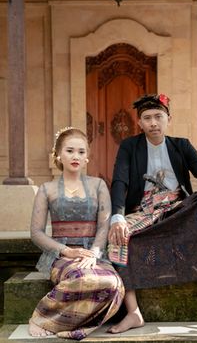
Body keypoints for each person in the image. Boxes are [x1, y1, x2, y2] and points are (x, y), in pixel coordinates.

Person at [108, 94, 197, 334]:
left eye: (158, 116)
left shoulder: (181, 145)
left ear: (168, 119)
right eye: (147, 118)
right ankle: (134, 313)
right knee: (116, 239)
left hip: (178, 209)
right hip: (145, 211)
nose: (153, 122)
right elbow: (119, 182)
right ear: (140, 123)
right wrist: (117, 216)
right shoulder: (129, 147)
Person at [28, 127, 124, 340]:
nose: (76, 156)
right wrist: (66, 252)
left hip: (93, 254)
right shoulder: (47, 189)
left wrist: (94, 254)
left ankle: (71, 327)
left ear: (87, 157)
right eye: (70, 151)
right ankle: (41, 317)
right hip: (61, 256)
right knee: (82, 278)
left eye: (81, 152)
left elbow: (104, 225)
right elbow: (36, 232)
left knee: (115, 285)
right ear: (58, 155)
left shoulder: (98, 185)